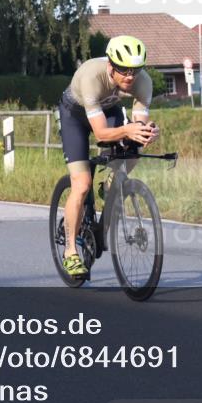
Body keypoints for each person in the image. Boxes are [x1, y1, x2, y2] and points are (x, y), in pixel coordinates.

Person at [57, 35, 159, 278]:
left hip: (108, 109)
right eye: (123, 70)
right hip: (75, 115)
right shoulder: (92, 76)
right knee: (81, 186)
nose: (130, 76)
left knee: (133, 147)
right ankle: (70, 252)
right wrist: (126, 129)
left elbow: (138, 124)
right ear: (111, 66)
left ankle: (112, 185)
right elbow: (101, 132)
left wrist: (145, 132)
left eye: (135, 70)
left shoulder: (143, 82)